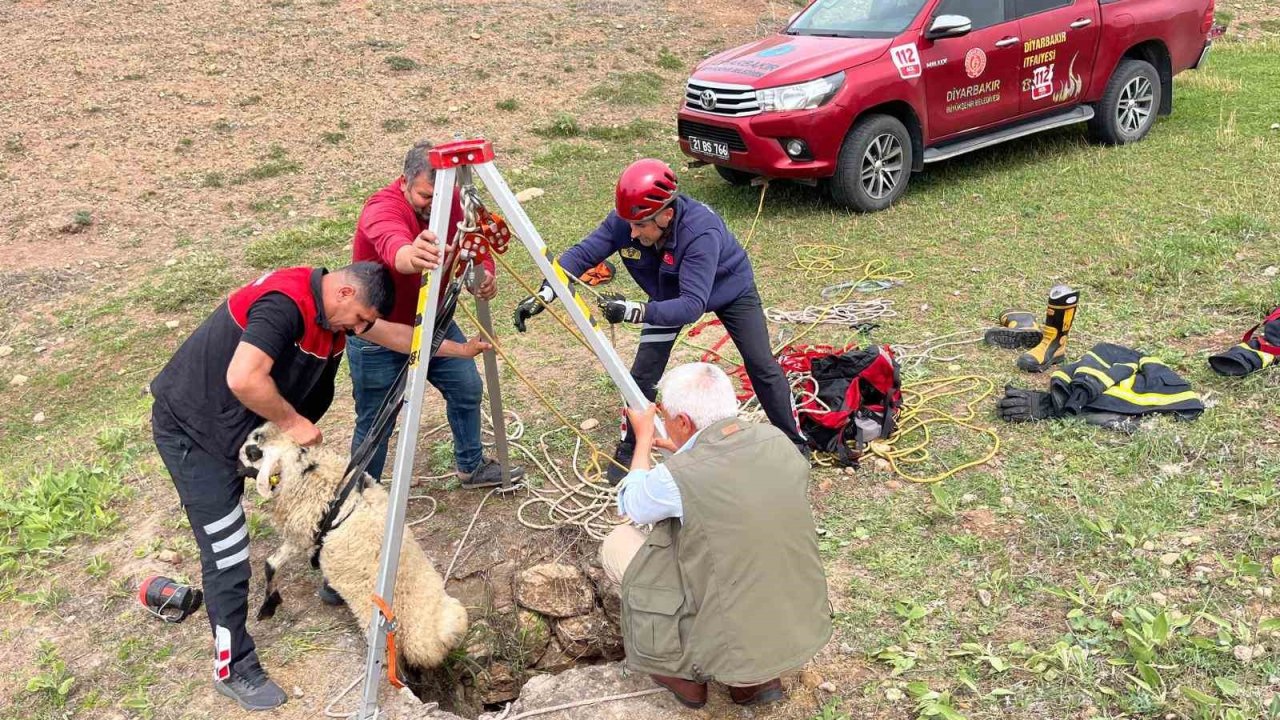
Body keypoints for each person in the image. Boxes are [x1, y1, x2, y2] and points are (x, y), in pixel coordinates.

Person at [150, 262, 398, 711]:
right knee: (227, 552)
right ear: (343, 292)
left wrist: (453, 349)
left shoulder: (333, 315)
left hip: (240, 431)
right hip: (194, 432)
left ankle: (333, 575)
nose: (360, 330)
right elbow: (244, 378)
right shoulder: (285, 304)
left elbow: (390, 335)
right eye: (360, 317)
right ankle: (233, 667)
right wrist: (292, 420)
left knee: (315, 502)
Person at [513, 159, 806, 482]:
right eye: (629, 225)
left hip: (729, 289)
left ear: (667, 214)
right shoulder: (628, 221)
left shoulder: (700, 232)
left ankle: (793, 441)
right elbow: (580, 256)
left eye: (641, 226)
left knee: (761, 364)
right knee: (642, 374)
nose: (633, 234)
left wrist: (634, 311)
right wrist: (545, 294)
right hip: (668, 294)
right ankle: (630, 447)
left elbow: (692, 305)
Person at [598, 363, 831, 708]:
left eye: (665, 413)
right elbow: (735, 486)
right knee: (740, 551)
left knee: (619, 542)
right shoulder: (778, 441)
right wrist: (686, 453)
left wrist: (644, 439)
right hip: (801, 625)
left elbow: (631, 504)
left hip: (731, 635)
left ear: (682, 422)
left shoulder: (676, 478)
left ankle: (682, 673)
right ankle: (756, 681)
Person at [349, 139, 523, 488]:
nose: (434, 206)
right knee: (377, 421)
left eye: (439, 197)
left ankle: (470, 467)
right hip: (379, 334)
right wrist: (411, 255)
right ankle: (358, 498)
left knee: (467, 387)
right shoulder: (382, 207)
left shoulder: (453, 202)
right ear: (404, 182)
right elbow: (392, 243)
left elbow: (476, 245)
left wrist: (484, 276)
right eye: (425, 197)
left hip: (434, 320)